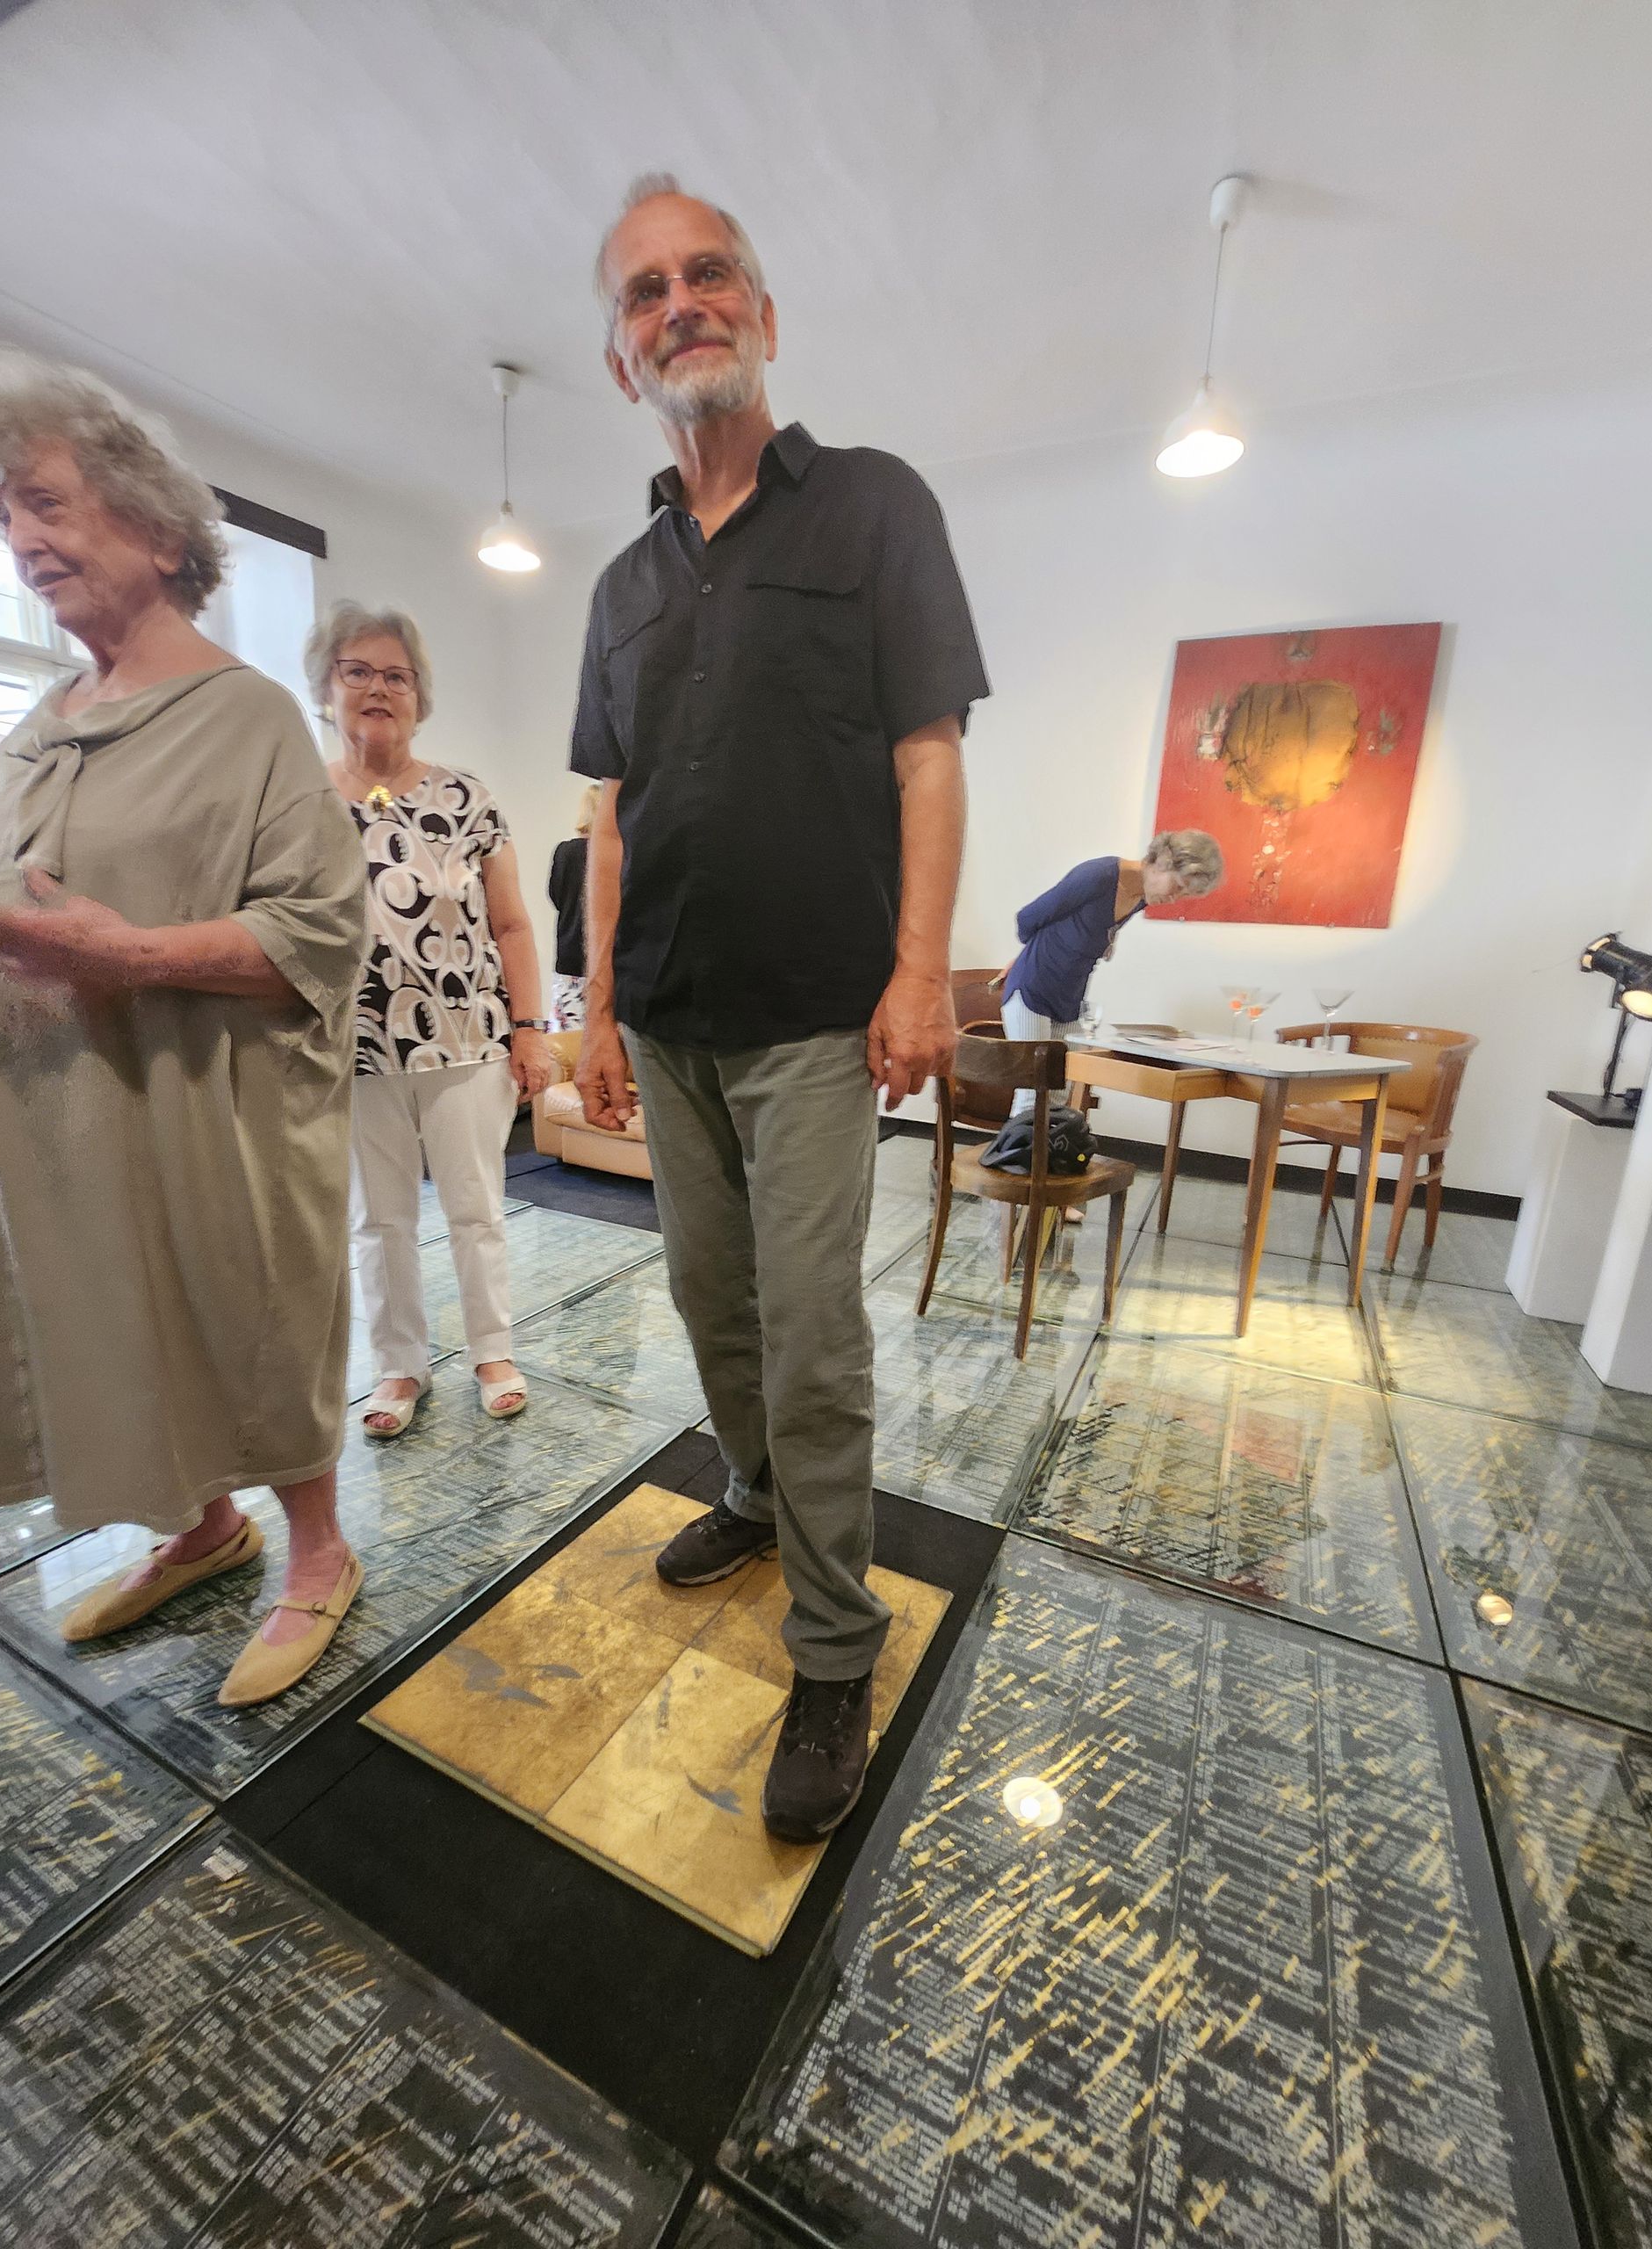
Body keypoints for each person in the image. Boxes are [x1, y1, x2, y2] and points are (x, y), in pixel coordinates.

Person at [572, 175, 989, 1842]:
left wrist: (918, 972)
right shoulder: (621, 583)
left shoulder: (874, 506)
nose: (681, 303)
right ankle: (751, 1495)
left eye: (709, 273)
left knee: (813, 1332)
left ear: (762, 310)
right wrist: (593, 1007)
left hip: (818, 1012)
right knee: (711, 1302)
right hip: (665, 1014)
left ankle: (834, 1645)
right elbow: (609, 815)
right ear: (621, 356)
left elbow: (928, 756)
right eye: (645, 291)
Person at [0, 352, 368, 1708]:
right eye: (4, 513)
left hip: (220, 1108)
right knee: (121, 1308)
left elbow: (323, 934)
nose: (21, 538)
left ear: (155, 527)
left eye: (45, 502)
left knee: (246, 1309)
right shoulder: (35, 731)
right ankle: (202, 1528)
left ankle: (318, 1550)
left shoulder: (246, 716)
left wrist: (126, 955)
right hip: (73, 1113)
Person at [310, 601, 555, 1437]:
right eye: (358, 671)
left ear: (420, 697)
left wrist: (530, 1029)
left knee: (475, 1207)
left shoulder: (466, 798)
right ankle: (399, 1364)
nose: (379, 689)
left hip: (468, 1039)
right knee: (377, 1219)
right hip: (349, 1047)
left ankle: (493, 1351)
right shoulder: (300, 803)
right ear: (326, 687)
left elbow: (512, 925)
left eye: (398, 676)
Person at [1001, 835, 1224, 1116]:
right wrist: (1028, 958)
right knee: (1033, 1093)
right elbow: (1027, 919)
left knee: (1058, 1093)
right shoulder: (1098, 876)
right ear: (1163, 861)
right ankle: (1017, 1147)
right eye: (1178, 887)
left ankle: (1046, 1147)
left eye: (1185, 894)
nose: (1174, 899)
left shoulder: (1140, 898)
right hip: (1031, 990)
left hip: (1069, 1000)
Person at [546, 782, 599, 1028]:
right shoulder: (619, 854)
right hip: (606, 963)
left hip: (568, 959)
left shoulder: (565, 852)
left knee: (567, 1040)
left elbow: (555, 897)